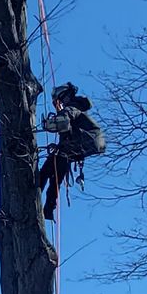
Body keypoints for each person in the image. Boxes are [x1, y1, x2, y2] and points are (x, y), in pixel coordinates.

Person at [36, 83, 105, 220]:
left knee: (45, 172)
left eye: (61, 100)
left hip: (74, 147)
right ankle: (48, 209)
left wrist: (48, 124)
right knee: (57, 174)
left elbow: (64, 120)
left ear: (65, 97)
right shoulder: (78, 109)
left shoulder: (71, 108)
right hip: (74, 149)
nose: (60, 104)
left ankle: (35, 195)